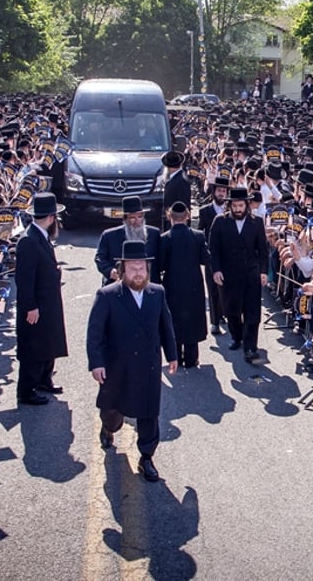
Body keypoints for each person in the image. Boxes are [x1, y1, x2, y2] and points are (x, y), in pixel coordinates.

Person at [86, 239, 178, 483]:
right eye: (132, 268)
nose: (138, 273)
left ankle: (146, 456)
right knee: (113, 410)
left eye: (141, 268)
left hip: (148, 365)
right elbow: (94, 333)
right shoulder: (107, 296)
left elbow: (165, 326)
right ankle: (108, 428)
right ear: (123, 269)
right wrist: (97, 363)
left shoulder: (157, 293)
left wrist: (172, 355)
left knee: (149, 413)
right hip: (118, 367)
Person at [13, 192, 68, 406]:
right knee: (34, 348)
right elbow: (24, 279)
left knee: (48, 343)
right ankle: (26, 391)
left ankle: (45, 379)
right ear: (52, 217)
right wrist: (30, 306)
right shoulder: (29, 240)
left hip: (48, 302)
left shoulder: (40, 236)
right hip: (37, 304)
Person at [209, 187, 269, 362]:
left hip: (250, 274)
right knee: (232, 310)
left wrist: (263, 271)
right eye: (234, 206)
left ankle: (250, 347)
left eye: (240, 205)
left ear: (247, 205)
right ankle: (236, 337)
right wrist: (216, 270)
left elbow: (263, 251)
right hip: (228, 275)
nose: (237, 209)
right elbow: (214, 248)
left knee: (252, 311)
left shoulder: (256, 222)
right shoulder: (220, 221)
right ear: (230, 206)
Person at [157, 201, 209, 368]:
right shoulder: (198, 236)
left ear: (169, 217)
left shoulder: (165, 239)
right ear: (187, 216)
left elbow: (160, 265)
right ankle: (192, 358)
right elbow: (205, 259)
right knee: (193, 319)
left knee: (174, 320)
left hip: (172, 284)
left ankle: (176, 356)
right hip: (194, 283)